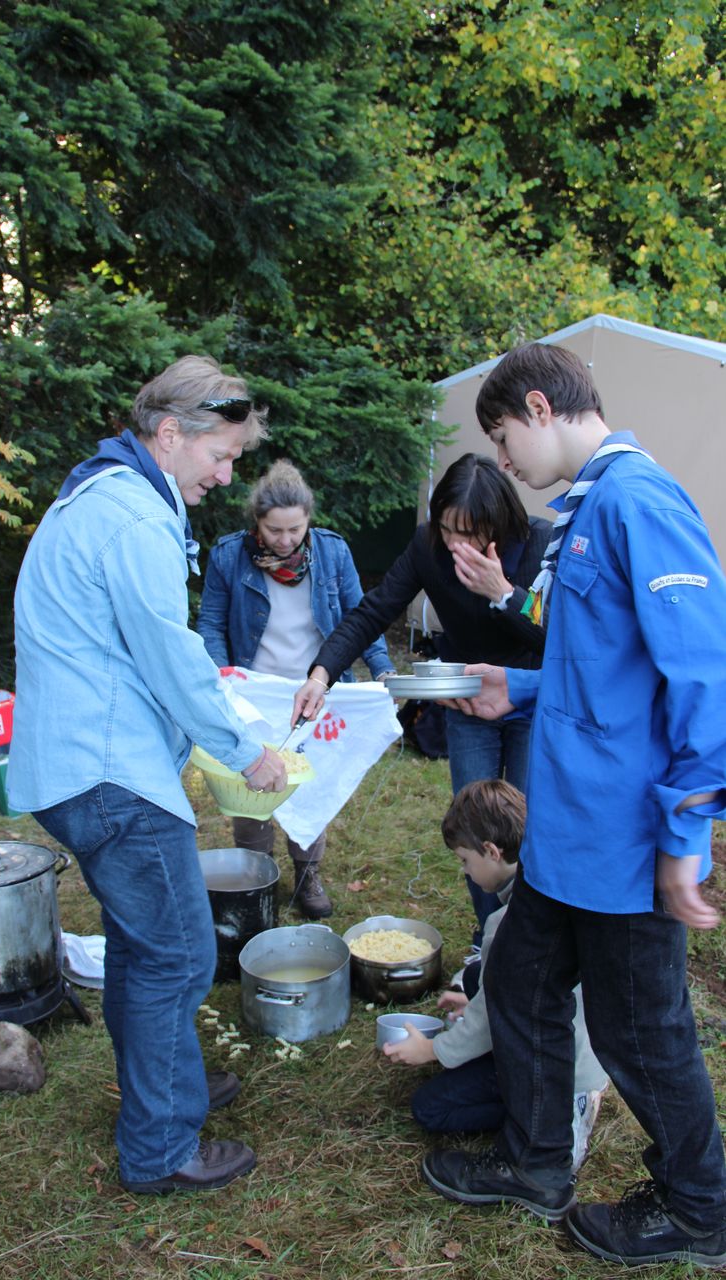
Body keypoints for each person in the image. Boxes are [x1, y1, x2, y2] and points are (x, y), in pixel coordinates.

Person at [422, 342, 726, 1269]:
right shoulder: (584, 512)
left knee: (640, 1032)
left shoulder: (638, 503)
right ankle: (536, 1162)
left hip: (621, 843)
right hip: (562, 836)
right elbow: (600, 669)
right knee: (518, 981)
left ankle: (701, 1209)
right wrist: (511, 688)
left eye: (501, 436)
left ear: (540, 406)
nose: (501, 459)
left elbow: (705, 680)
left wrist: (682, 835)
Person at [7, 355, 289, 1196]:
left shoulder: (104, 494)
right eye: (220, 456)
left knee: (142, 946)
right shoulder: (131, 516)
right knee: (178, 955)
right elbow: (169, 655)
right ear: (169, 434)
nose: (226, 476)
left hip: (80, 765)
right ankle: (161, 1145)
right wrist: (245, 750)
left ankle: (167, 1086)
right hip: (108, 773)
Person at [292, 452, 550, 935]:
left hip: (530, 701)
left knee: (526, 828)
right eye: (447, 527)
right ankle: (487, 936)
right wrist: (321, 674)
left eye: (468, 532)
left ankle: (527, 939)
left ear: (498, 522)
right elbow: (374, 611)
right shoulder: (428, 546)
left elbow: (555, 632)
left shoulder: (539, 542)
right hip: (465, 702)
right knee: (475, 827)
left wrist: (503, 593)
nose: (455, 542)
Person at [196, 458, 394, 918]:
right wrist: (221, 674)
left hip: (315, 694)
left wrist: (383, 669)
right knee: (251, 783)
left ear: (308, 521)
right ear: (256, 522)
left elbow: (362, 618)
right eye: (274, 530)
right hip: (254, 696)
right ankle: (256, 875)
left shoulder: (333, 553)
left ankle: (308, 875)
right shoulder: (228, 556)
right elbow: (210, 623)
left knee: (308, 786)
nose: (285, 541)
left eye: (295, 530)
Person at [383, 780, 607, 1171]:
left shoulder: (508, 923)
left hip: (562, 1065)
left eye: (465, 860)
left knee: (431, 1108)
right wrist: (474, 999)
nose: (465, 871)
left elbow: (489, 1018)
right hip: (589, 1040)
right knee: (475, 977)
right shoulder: (555, 880)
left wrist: (434, 1050)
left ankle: (556, 1117)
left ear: (491, 851)